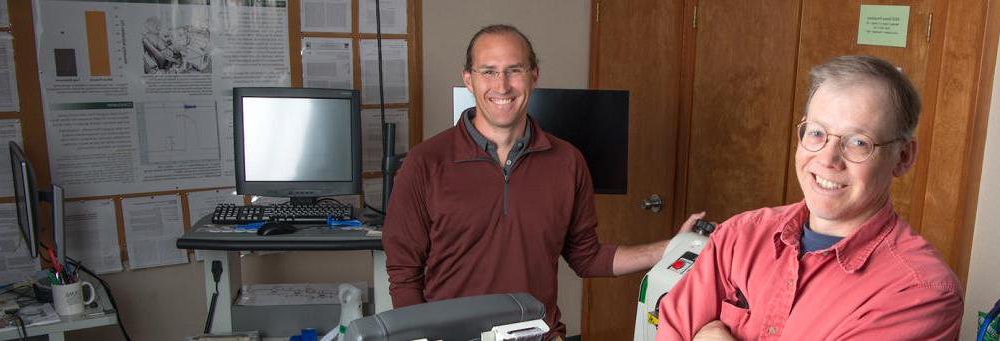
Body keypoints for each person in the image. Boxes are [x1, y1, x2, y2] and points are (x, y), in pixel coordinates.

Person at [382, 24, 701, 339]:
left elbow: (586, 257)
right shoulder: (425, 162)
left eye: (514, 70)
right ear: (469, 79)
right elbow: (404, 274)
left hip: (538, 335)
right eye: (488, 71)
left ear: (534, 76)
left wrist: (675, 247)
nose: (502, 85)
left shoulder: (567, 161)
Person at [656, 55, 963, 340]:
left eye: (858, 142)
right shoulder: (739, 236)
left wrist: (711, 334)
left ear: (903, 157)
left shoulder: (919, 291)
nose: (828, 159)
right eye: (817, 133)